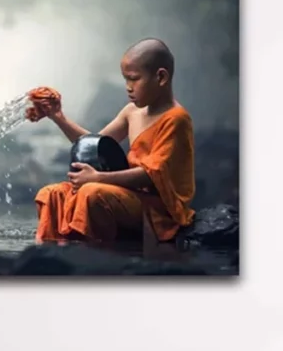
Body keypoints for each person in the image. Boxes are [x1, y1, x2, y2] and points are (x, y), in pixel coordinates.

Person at [28, 37, 196, 247]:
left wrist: (99, 177)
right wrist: (57, 116)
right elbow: (93, 146)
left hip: (156, 207)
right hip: (127, 194)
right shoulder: (132, 112)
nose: (128, 87)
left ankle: (92, 254)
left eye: (134, 79)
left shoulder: (176, 119)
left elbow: (152, 176)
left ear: (161, 77)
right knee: (51, 194)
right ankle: (52, 255)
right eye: (126, 79)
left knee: (92, 193)